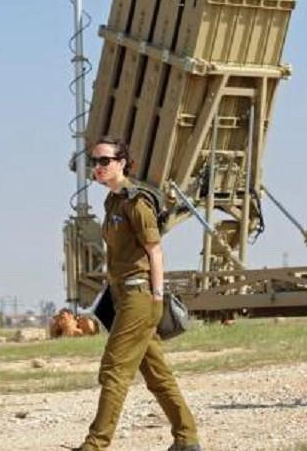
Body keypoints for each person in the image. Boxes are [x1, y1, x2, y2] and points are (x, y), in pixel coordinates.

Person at [74, 137, 201, 451]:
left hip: (139, 295)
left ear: (122, 163)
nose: (98, 167)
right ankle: (187, 437)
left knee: (114, 369)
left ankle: (95, 444)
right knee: (156, 373)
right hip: (122, 296)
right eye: (94, 161)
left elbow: (154, 250)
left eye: (105, 161)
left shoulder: (137, 202)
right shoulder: (113, 202)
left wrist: (156, 297)